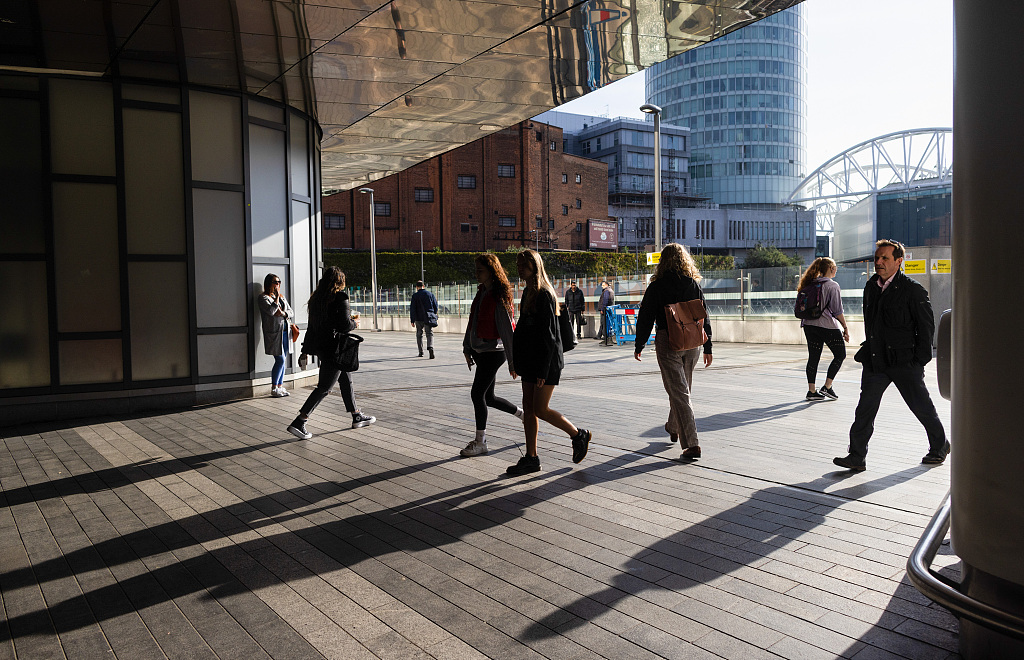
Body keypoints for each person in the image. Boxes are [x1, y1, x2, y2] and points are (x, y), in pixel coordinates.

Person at [834, 239, 949, 472]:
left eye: (885, 258)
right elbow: (872, 322)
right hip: (876, 360)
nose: (879, 262)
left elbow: (926, 327)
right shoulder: (871, 287)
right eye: (877, 258)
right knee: (865, 408)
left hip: (905, 361)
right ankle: (857, 456)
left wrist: (920, 360)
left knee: (920, 405)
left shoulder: (913, 290)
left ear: (899, 261)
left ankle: (939, 445)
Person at [506, 250, 591, 476]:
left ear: (535, 265)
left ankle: (577, 434)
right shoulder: (528, 292)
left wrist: (543, 369)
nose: (520, 267)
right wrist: (515, 361)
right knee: (529, 408)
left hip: (547, 361)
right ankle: (531, 457)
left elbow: (549, 335)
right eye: (518, 263)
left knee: (541, 409)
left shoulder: (544, 294)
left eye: (524, 264)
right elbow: (523, 330)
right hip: (531, 360)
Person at [634, 243, 712, 460]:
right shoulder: (692, 284)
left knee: (679, 392)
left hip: (668, 342)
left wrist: (639, 344)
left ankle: (692, 444)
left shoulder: (657, 287)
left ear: (663, 261)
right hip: (693, 343)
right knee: (682, 390)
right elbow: (704, 314)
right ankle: (673, 425)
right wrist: (708, 346)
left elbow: (646, 317)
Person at [287, 267, 375, 439]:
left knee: (345, 380)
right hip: (336, 349)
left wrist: (305, 352)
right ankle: (300, 421)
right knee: (324, 388)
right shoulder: (340, 297)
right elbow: (343, 325)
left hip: (323, 348)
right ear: (339, 281)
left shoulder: (316, 300)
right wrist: (354, 323)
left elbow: (312, 328)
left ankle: (356, 415)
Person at [460, 254, 525, 457]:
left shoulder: (498, 296)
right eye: (476, 269)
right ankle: (523, 416)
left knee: (476, 394)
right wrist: (467, 347)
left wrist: (513, 363)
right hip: (481, 352)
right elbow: (472, 322)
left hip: (494, 353)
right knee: (489, 397)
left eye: (480, 270)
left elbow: (507, 330)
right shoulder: (482, 293)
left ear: (491, 271)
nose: (476, 273)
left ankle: (481, 442)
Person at [798, 257, 850, 401]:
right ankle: (827, 387)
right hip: (827, 326)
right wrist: (845, 327)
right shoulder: (832, 285)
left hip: (808, 325)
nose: (836, 270)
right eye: (835, 267)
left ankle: (811, 391)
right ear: (831, 269)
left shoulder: (809, 284)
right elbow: (837, 310)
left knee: (813, 357)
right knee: (840, 354)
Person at [258, 273, 293, 397]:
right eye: (275, 282)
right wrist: (276, 298)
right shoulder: (263, 298)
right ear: (269, 283)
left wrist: (283, 313)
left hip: (285, 332)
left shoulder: (282, 297)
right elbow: (272, 311)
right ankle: (274, 388)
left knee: (283, 360)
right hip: (273, 333)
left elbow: (290, 312)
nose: (278, 284)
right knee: (280, 359)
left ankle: (280, 386)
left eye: (279, 282)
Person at [409, 280, 438, 358]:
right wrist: (433, 314)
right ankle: (430, 347)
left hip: (418, 318)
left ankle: (421, 352)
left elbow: (412, 308)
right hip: (428, 317)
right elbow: (435, 306)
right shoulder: (430, 294)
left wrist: (412, 320)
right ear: (423, 286)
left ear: (416, 287)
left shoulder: (415, 296)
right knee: (429, 333)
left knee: (419, 334)